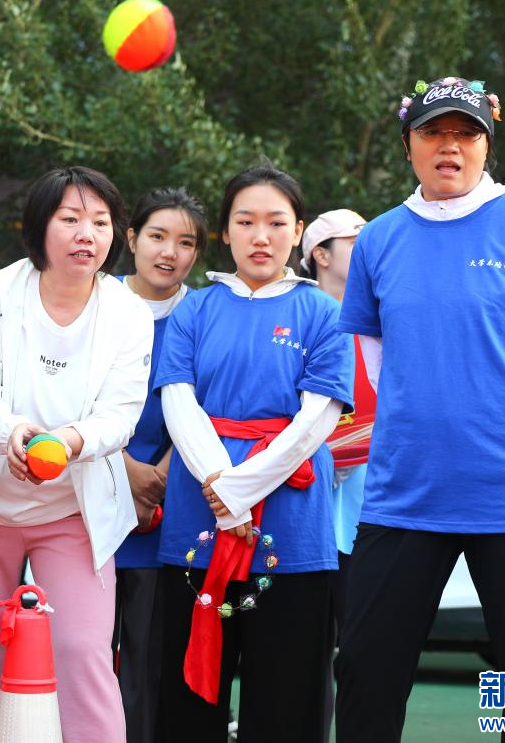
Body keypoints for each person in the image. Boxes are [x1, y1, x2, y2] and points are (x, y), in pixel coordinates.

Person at [334, 78, 505, 742]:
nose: (449, 145)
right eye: (433, 132)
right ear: (408, 145)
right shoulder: (379, 240)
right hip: (406, 489)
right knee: (366, 668)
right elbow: (375, 357)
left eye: (466, 132)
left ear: (486, 144)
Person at [0, 166, 153, 743]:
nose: (87, 234)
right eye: (71, 219)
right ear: (40, 225)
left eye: (101, 222)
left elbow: (121, 415)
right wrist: (11, 432)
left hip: (75, 513)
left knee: (83, 655)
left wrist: (67, 443)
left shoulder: (128, 311)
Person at [156, 166, 353, 743]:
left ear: (299, 233)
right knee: (188, 696)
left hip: (290, 521)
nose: (260, 236)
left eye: (276, 223)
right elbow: (177, 400)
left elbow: (317, 417)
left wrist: (238, 491)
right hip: (199, 509)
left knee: (287, 691)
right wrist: (221, 487)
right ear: (226, 232)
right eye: (245, 222)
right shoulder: (195, 308)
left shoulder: (323, 312)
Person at [110, 187, 206, 743]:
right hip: (90, 496)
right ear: (132, 238)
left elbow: (208, 400)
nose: (169, 252)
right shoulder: (96, 300)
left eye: (185, 242)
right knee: (83, 651)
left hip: (171, 508)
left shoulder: (203, 313)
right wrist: (124, 468)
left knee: (149, 659)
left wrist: (161, 476)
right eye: (157, 236)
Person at [299, 209, 373, 628]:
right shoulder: (297, 317)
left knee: (363, 621)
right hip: (305, 481)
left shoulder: (384, 314)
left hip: (371, 487)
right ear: (321, 255)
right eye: (354, 242)